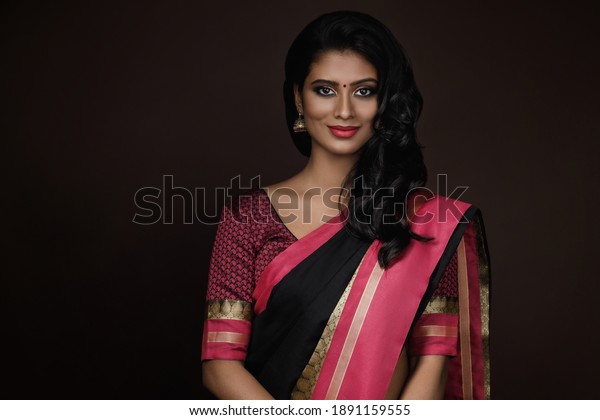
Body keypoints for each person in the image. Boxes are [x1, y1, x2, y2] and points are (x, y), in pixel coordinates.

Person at [201, 11, 490, 400]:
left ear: (385, 103)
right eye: (324, 90)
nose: (344, 111)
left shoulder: (425, 221)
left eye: (364, 91)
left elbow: (433, 360)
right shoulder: (248, 220)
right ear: (297, 98)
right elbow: (220, 366)